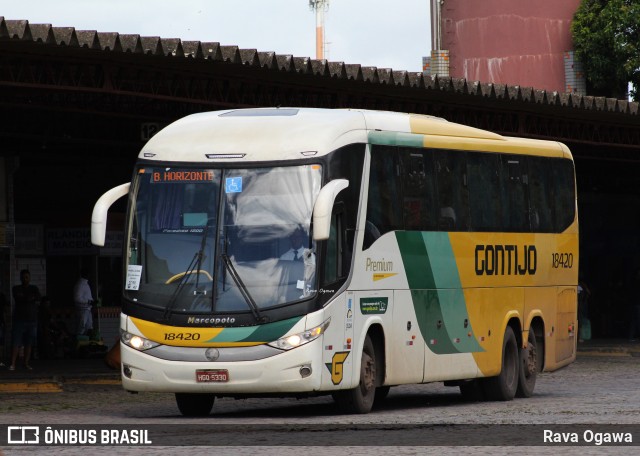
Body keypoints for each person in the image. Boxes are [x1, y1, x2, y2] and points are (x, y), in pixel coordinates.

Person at [9, 269, 41, 371]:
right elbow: (20, 298)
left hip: (31, 320)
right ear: (20, 278)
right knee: (16, 342)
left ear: (30, 278)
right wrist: (30, 297)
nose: (25, 279)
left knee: (29, 343)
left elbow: (38, 297)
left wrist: (29, 297)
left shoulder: (34, 288)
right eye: (23, 277)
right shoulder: (16, 288)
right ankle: (13, 363)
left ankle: (26, 363)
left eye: (27, 277)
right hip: (19, 320)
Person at [73, 268, 94, 336]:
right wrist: (88, 302)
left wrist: (91, 302)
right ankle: (79, 342)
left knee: (89, 327)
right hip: (82, 309)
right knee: (81, 328)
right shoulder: (80, 285)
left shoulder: (85, 284)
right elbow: (77, 298)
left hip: (87, 309)